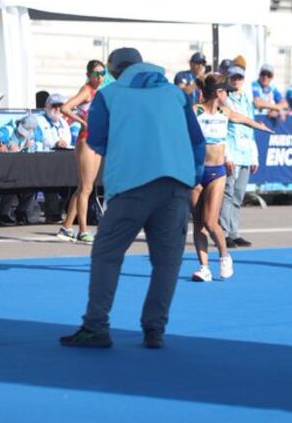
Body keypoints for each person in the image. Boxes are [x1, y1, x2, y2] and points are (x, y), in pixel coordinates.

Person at [60, 47, 205, 350]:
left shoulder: (109, 96)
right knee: (167, 262)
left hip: (131, 185)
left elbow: (97, 141)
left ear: (114, 71)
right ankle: (155, 330)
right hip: (175, 184)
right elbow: (197, 141)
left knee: (107, 254)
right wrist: (191, 177)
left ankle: (96, 325)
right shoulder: (176, 94)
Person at [190, 73, 273, 282]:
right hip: (196, 173)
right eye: (225, 89)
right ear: (217, 92)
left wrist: (260, 126)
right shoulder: (195, 111)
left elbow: (244, 120)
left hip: (216, 173)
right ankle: (204, 267)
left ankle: (224, 257)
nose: (228, 92)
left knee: (211, 222)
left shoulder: (224, 112)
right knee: (198, 224)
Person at [56, 60, 106, 245]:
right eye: (96, 74)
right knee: (86, 188)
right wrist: (83, 122)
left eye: (102, 73)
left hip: (97, 140)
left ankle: (67, 226)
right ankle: (83, 230)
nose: (100, 77)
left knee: (85, 186)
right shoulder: (86, 90)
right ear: (89, 75)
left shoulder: (98, 91)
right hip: (86, 139)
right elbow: (65, 107)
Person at [220, 65, 259, 249]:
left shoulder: (246, 100)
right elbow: (223, 129)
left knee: (238, 194)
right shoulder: (224, 100)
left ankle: (234, 233)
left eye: (239, 78)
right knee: (227, 193)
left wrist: (254, 156)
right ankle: (224, 233)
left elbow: (251, 127)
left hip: (245, 153)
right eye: (233, 78)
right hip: (232, 153)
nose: (236, 81)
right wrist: (226, 155)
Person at [0, 115, 43, 225]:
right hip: (5, 168)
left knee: (33, 182)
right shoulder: (8, 129)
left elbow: (41, 143)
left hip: (23, 166)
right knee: (12, 183)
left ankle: (21, 211)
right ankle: (2, 212)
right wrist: (5, 147)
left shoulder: (33, 133)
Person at [38, 93, 75, 223]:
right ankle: (52, 213)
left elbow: (68, 141)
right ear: (47, 106)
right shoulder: (39, 121)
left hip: (63, 161)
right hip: (43, 161)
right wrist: (55, 143)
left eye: (61, 106)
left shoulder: (64, 123)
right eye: (55, 106)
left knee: (75, 179)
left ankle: (70, 212)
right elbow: (37, 141)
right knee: (52, 179)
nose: (58, 109)